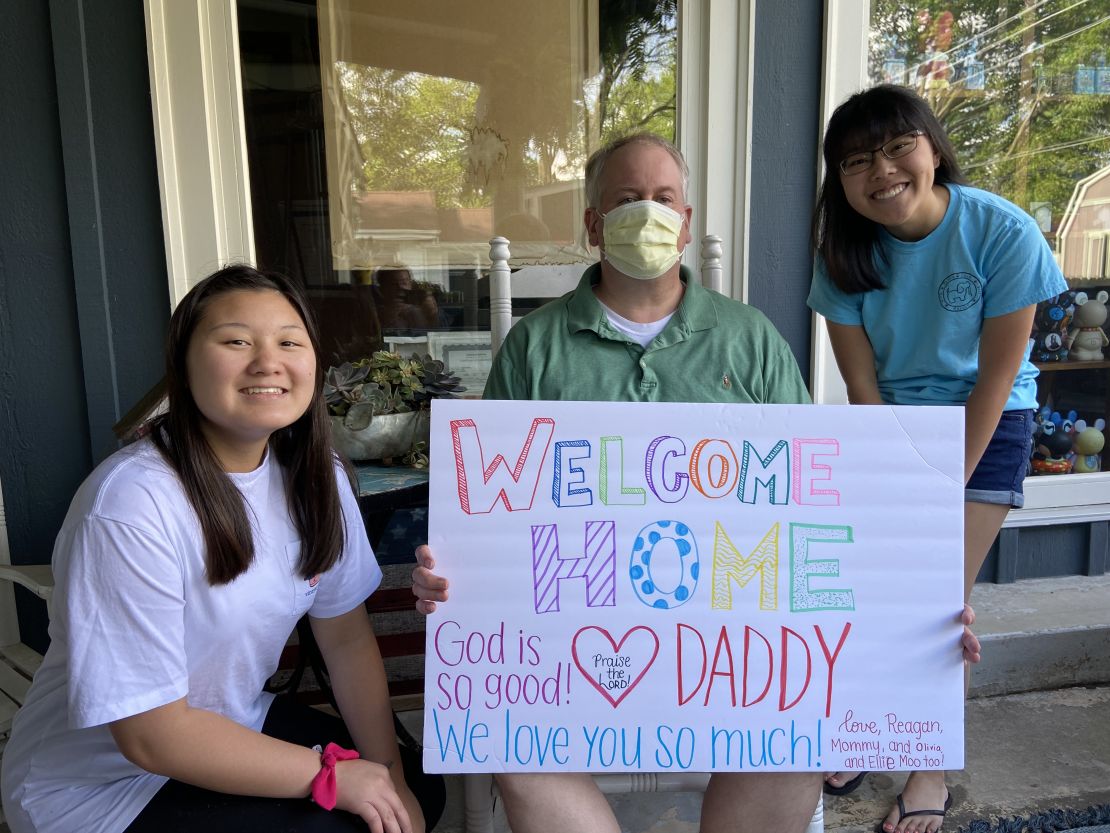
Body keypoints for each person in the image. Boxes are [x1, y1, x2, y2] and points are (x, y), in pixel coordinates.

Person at [414, 132, 825, 833]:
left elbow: (815, 493)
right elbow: (491, 508)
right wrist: (450, 574)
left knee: (799, 725)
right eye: (627, 200)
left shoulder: (750, 340)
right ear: (593, 225)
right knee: (512, 733)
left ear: (687, 222)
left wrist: (904, 617)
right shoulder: (535, 347)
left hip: (725, 641)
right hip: (570, 641)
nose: (648, 213)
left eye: (663, 199)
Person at [0, 266, 431, 833]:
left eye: (289, 342)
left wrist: (387, 771)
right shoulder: (131, 504)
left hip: (232, 727)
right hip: (98, 788)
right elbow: (151, 736)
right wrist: (333, 776)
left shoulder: (315, 477)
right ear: (183, 364)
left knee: (417, 792)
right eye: (235, 341)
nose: (267, 362)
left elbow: (345, 639)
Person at [807, 85, 1067, 833]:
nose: (881, 171)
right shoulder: (844, 252)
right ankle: (863, 728)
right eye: (857, 161)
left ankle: (929, 767)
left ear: (932, 147)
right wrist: (896, 475)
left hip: (987, 419)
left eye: (896, 147)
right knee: (869, 590)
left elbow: (994, 378)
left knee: (934, 598)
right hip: (892, 421)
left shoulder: (1003, 231)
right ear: (840, 181)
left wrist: (937, 487)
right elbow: (860, 381)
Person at [372, 267, 440, 332]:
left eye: (404, 283)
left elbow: (437, 334)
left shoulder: (419, 308)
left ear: (410, 285)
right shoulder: (375, 312)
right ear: (383, 288)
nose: (400, 288)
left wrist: (432, 315)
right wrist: (389, 317)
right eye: (394, 284)